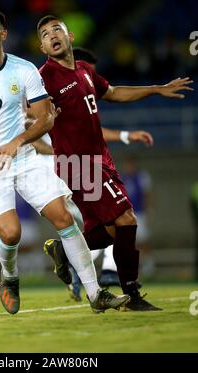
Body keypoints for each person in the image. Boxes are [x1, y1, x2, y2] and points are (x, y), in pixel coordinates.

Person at [0, 8, 130, 315]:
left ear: (3, 33)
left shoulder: (24, 71)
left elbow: (45, 119)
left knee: (64, 217)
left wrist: (17, 142)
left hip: (24, 159)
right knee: (11, 233)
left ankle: (96, 293)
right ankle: (9, 276)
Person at [36, 15, 193, 310]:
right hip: (78, 164)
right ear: (42, 46)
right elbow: (32, 112)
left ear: (69, 36)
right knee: (126, 220)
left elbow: (113, 93)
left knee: (112, 231)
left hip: (100, 161)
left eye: (56, 29)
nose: (52, 35)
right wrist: (42, 119)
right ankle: (131, 294)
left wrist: (156, 88)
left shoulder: (83, 70)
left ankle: (63, 250)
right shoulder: (44, 78)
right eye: (45, 34)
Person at [121, 156, 155, 277]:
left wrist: (149, 210)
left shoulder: (142, 176)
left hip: (140, 212)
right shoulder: (123, 178)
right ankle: (135, 266)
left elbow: (148, 194)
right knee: (131, 241)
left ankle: (149, 264)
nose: (129, 167)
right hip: (128, 213)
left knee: (143, 239)